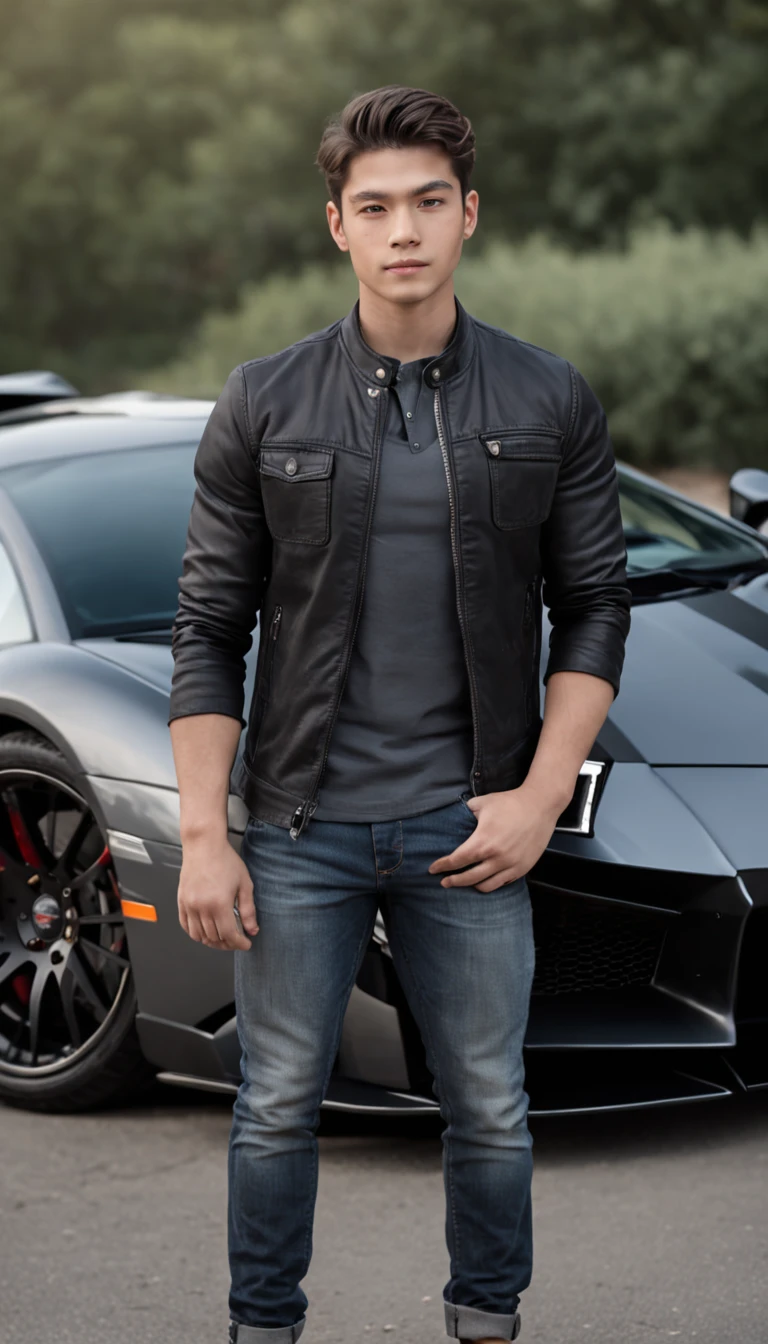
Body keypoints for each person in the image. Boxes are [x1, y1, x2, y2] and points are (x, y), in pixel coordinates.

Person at [168, 84, 632, 1344]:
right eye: (375, 207)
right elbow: (209, 626)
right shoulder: (264, 401)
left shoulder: (548, 399)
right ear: (338, 227)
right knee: (274, 1104)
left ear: (468, 214)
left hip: (467, 825)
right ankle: (261, 1329)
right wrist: (206, 835)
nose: (404, 230)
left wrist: (540, 798)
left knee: (488, 1100)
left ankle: (488, 1319)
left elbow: (595, 609)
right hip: (299, 828)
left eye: (429, 202)